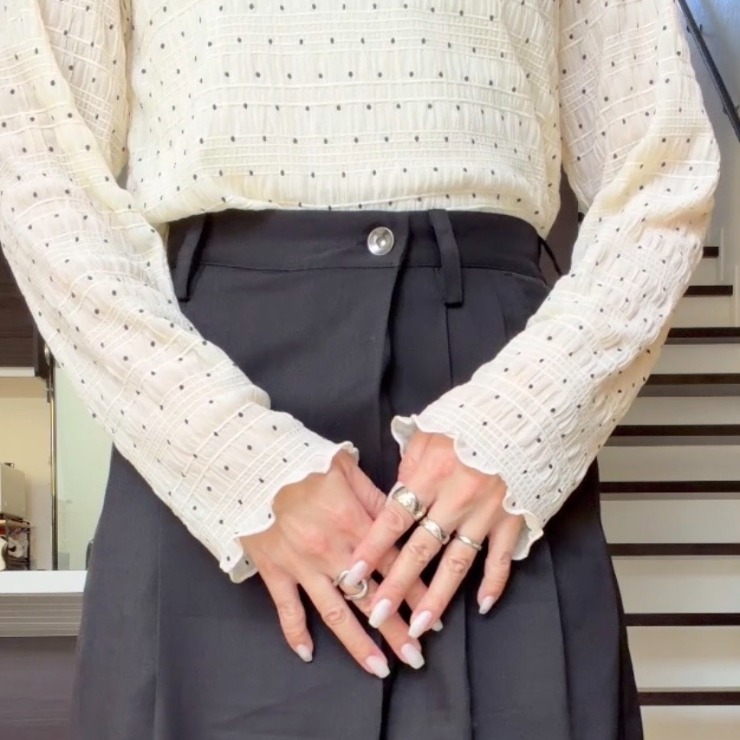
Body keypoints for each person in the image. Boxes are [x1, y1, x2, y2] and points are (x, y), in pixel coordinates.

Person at [0, 1, 720, 738]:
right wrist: (233, 458)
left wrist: (518, 426)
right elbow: (38, 169)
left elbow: (661, 174)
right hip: (205, 420)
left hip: (496, 438)